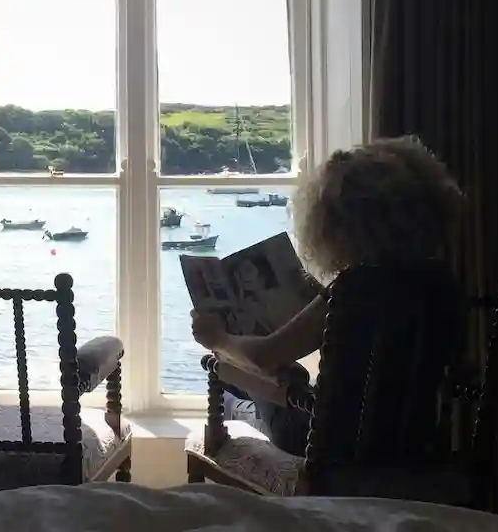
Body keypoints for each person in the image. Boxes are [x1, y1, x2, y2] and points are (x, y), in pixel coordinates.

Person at [191, 136, 464, 456]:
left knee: (260, 378)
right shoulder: (440, 281)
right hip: (413, 445)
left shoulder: (353, 289)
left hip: (332, 446)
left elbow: (265, 356)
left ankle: (236, 408)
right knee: (273, 378)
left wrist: (218, 338)